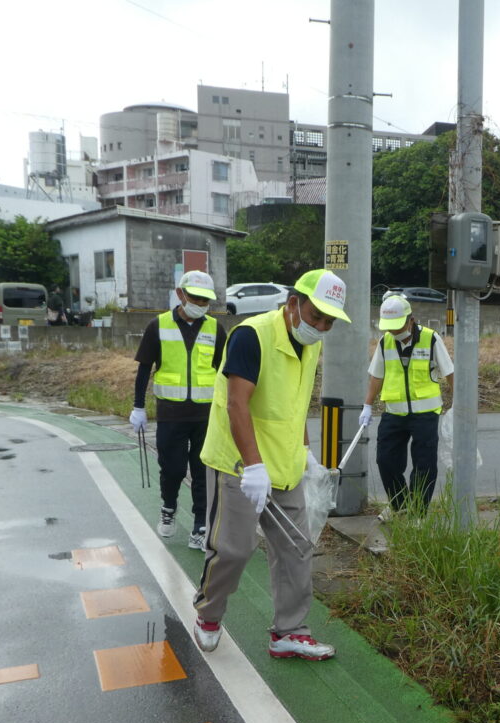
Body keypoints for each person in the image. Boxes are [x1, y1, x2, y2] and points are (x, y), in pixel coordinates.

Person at [192, 269, 350, 660]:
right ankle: (208, 615)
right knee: (234, 549)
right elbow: (236, 403)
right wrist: (254, 467)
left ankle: (289, 631)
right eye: (317, 316)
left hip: (285, 463)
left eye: (330, 321)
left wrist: (307, 455)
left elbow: (294, 407)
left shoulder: (309, 345)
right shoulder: (251, 335)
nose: (322, 326)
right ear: (293, 303)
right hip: (238, 464)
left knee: (297, 547)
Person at [129, 270, 226, 550]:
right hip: (170, 415)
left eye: (206, 300)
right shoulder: (157, 326)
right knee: (172, 469)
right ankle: (169, 508)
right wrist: (138, 407)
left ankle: (200, 525)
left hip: (205, 416)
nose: (201, 304)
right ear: (180, 294)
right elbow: (144, 368)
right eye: (195, 297)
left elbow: (224, 371)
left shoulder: (215, 328)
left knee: (201, 471)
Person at [359, 293, 454, 517]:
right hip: (394, 412)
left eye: (397, 325)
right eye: (389, 326)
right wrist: (367, 405)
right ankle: (400, 506)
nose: (393, 330)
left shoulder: (431, 339)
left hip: (426, 413)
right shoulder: (385, 342)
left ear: (410, 319)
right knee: (386, 460)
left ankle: (418, 513)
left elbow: (450, 373)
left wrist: (458, 404)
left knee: (424, 466)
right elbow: (376, 376)